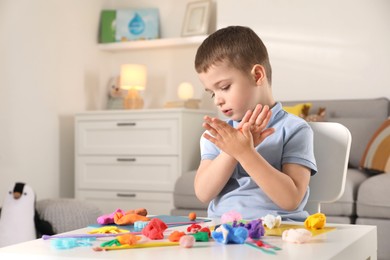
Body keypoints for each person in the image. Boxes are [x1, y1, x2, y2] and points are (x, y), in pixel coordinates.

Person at [193, 26, 317, 221]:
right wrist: (231, 150)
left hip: (278, 230)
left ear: (257, 75)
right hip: (222, 230)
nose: (217, 100)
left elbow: (291, 199)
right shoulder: (218, 135)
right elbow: (203, 193)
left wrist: (245, 152)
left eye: (224, 87)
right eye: (212, 92)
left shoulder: (295, 129)